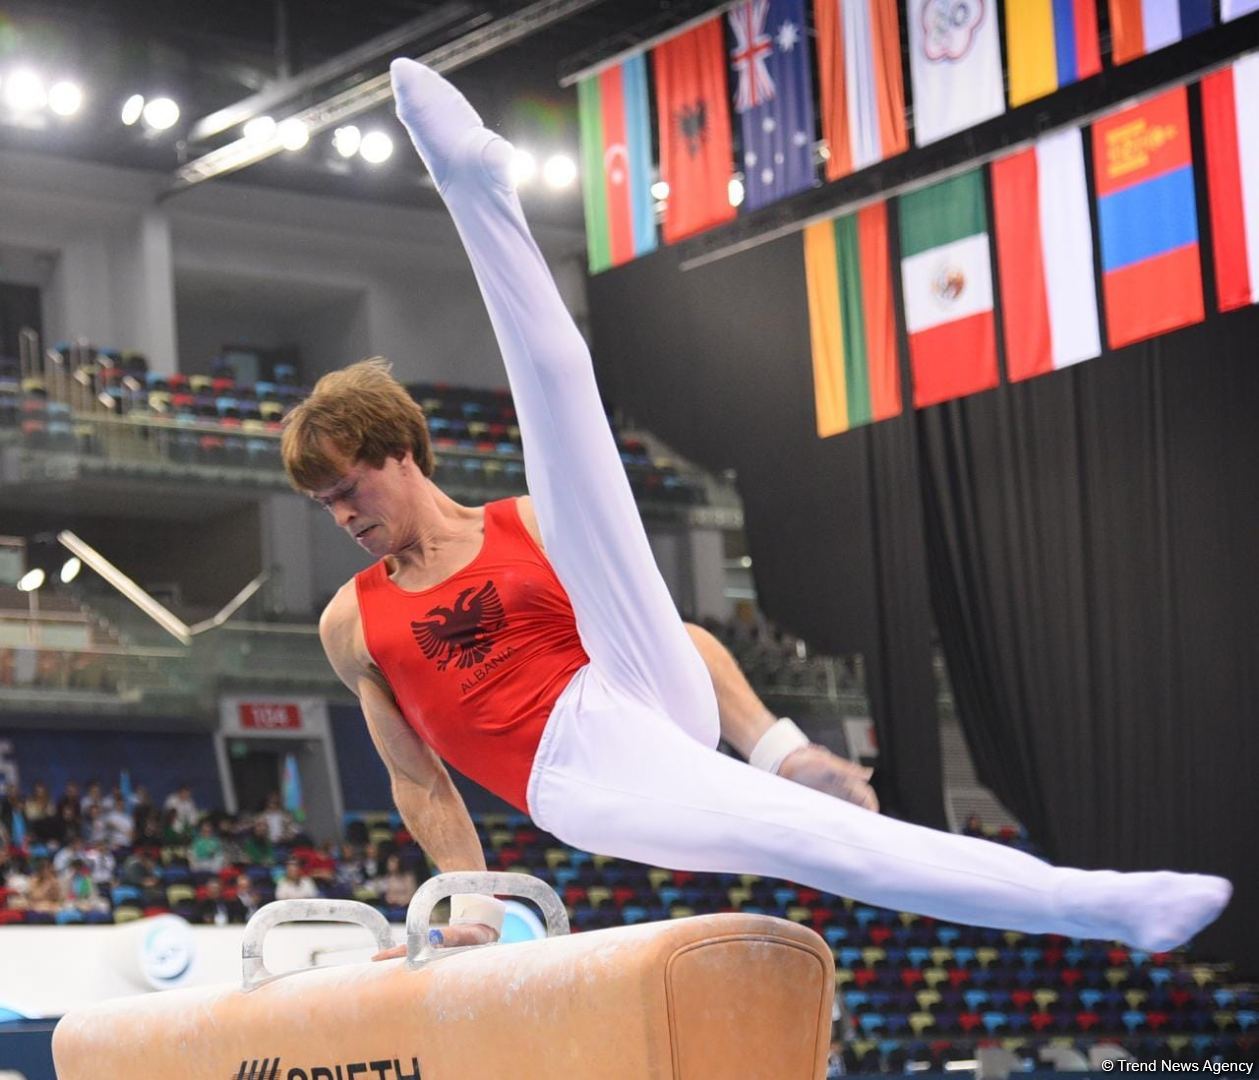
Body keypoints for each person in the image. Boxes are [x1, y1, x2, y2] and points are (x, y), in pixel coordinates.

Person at [285, 60, 1231, 956]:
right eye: (322, 504)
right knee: (825, 843)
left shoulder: (526, 524)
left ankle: (471, 183)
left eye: (347, 490)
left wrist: (777, 747)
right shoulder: (353, 623)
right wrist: (477, 903)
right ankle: (1101, 905)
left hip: (637, 686)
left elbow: (677, 640)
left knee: (564, 396)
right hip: (581, 774)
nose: (340, 517)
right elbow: (418, 777)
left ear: (400, 452)